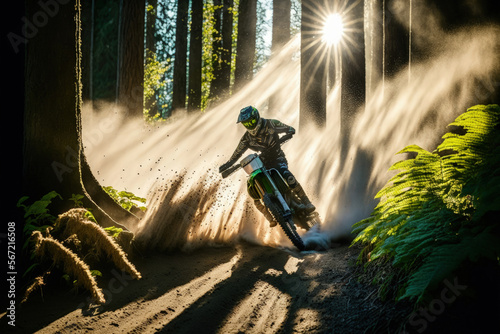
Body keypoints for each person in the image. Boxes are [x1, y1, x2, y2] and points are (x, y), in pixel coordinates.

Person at [219, 106, 315, 227]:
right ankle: (270, 214)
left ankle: (306, 202)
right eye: (246, 123)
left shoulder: (271, 124)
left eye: (251, 121)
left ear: (257, 117)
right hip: (261, 164)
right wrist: (228, 164)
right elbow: (237, 153)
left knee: (287, 175)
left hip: (277, 158)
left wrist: (289, 131)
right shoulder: (246, 138)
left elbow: (288, 128)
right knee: (254, 188)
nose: (250, 125)